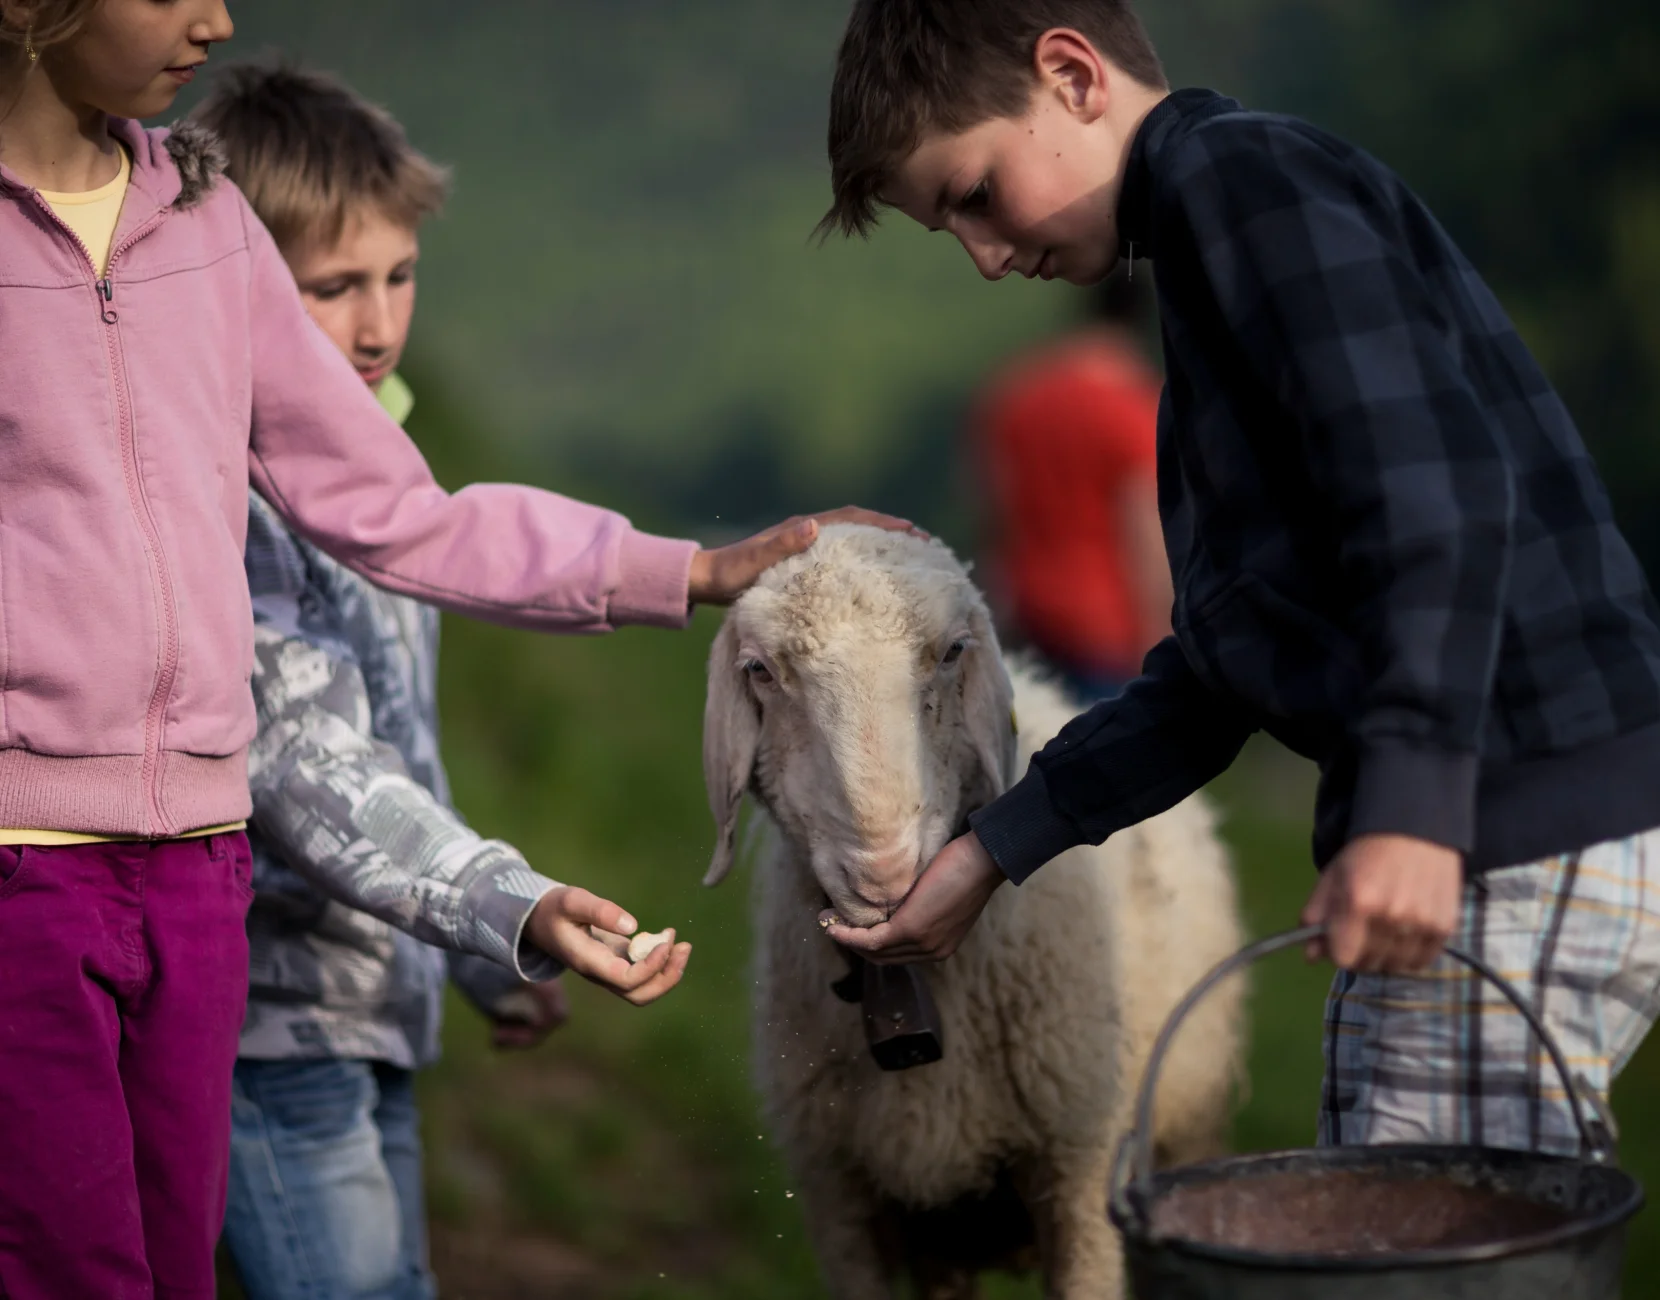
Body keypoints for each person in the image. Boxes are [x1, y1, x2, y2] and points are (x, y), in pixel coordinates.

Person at [0, 4, 910, 1296]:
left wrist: (692, 572)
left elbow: (402, 513)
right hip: (26, 876)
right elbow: (305, 746)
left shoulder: (203, 227)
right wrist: (508, 909)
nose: (217, 12)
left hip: (198, 876)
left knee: (171, 1273)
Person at [816, 0, 1660, 1157]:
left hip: (1502, 819)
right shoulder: (1215, 271)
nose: (987, 255)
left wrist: (1414, 807)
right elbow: (1225, 663)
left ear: (1070, 74)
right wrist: (989, 850)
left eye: (973, 193)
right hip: (1485, 815)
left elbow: (1436, 488)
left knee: (1418, 1263)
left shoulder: (1240, 180)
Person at [187, 63, 573, 1300]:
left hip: (373, 1003)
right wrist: (500, 906)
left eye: (398, 277)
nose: (376, 325)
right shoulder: (226, 498)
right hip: (270, 1022)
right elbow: (305, 765)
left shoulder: (382, 469)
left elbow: (400, 747)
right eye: (333, 288)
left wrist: (475, 954)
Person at [974, 272, 1169, 699]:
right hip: (1106, 629)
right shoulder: (1133, 407)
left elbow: (994, 511)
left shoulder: (1017, 394)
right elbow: (1144, 531)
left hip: (1026, 618)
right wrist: (1159, 640)